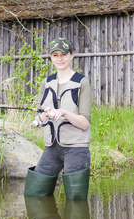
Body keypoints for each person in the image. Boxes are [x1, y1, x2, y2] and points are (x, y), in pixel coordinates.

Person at [24, 37, 92, 200]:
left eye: (63, 54)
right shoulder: (45, 83)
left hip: (76, 149)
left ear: (71, 55)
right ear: (51, 57)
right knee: (33, 195)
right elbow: (39, 119)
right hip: (51, 149)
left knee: (76, 202)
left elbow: (84, 123)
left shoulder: (82, 82)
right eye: (55, 55)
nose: (59, 59)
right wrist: (43, 116)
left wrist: (64, 113)